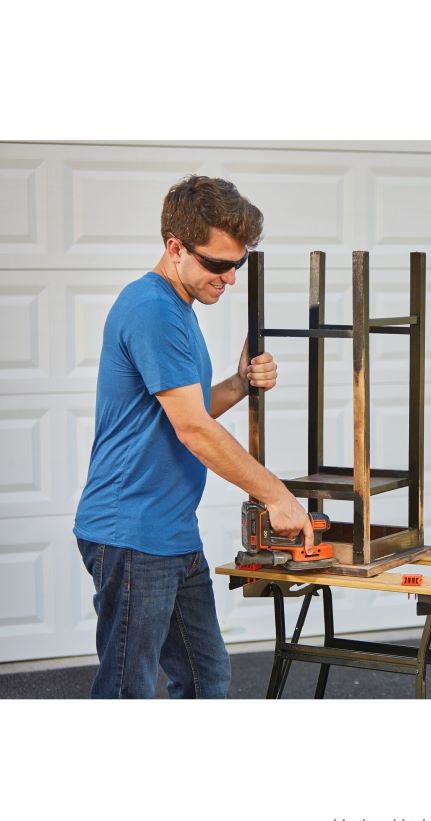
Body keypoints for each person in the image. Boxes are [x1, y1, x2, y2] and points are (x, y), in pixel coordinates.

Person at [73, 174, 313, 699]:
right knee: (126, 690)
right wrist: (276, 495)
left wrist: (241, 382)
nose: (230, 279)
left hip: (172, 531)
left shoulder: (177, 307)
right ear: (175, 247)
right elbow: (193, 428)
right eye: (218, 264)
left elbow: (186, 408)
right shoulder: (152, 308)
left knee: (206, 677)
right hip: (131, 533)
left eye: (237, 265)